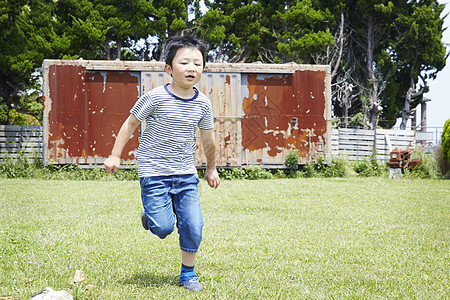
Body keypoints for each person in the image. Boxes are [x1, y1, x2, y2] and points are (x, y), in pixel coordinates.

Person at [104, 35, 220, 292]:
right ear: (168, 68)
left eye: (198, 64)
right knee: (163, 227)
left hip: (186, 173)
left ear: (204, 69)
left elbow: (208, 139)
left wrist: (211, 168)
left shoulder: (202, 103)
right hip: (153, 172)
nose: (192, 68)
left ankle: (188, 274)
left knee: (194, 225)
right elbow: (130, 124)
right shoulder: (154, 97)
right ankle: (151, 216)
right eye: (184, 62)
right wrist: (115, 155)